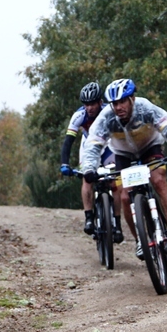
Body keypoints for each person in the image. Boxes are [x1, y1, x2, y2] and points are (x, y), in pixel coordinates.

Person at [80, 78, 167, 260]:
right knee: (124, 195)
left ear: (132, 99)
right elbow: (94, 142)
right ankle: (140, 241)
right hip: (123, 154)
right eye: (114, 103)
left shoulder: (145, 107)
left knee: (159, 180)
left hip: (150, 147)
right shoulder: (107, 117)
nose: (118, 107)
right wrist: (89, 167)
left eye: (122, 101)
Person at [60, 82, 124, 243]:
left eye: (92, 103)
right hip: (89, 146)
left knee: (115, 182)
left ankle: (117, 223)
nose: (89, 108)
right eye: (86, 104)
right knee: (87, 177)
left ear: (100, 102)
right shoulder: (79, 116)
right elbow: (68, 141)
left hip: (109, 144)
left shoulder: (109, 112)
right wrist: (64, 164)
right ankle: (89, 217)